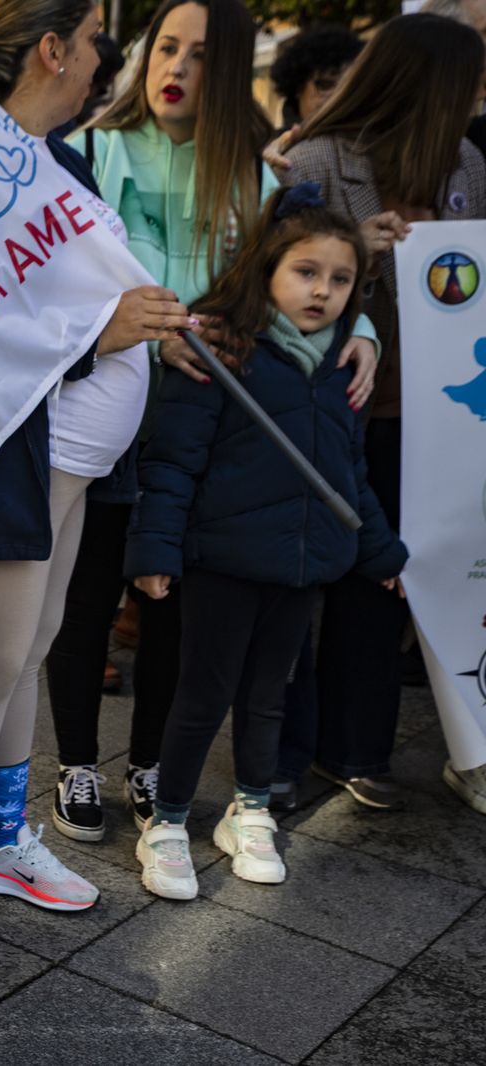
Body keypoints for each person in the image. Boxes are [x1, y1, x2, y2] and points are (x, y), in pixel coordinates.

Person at [46, 0, 378, 843]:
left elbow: (313, 274)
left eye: (198, 54)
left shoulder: (265, 184)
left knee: (173, 607)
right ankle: (77, 763)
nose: (177, 67)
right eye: (166, 47)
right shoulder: (91, 151)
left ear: (227, 70)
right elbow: (54, 283)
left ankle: (154, 765)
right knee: (84, 603)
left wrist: (363, 330)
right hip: (102, 420)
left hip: (207, 433)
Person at [0, 0, 180, 961]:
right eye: (96, 39)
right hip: (7, 458)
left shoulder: (54, 157)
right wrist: (102, 338)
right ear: (54, 48)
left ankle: (0, 836)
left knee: (29, 648)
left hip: (68, 463)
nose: (107, 58)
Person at [129, 185, 407, 899]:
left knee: (269, 695)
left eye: (340, 278)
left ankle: (249, 809)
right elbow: (174, 460)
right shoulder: (220, 350)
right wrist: (155, 552)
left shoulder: (341, 363)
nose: (322, 291)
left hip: (301, 565)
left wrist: (383, 558)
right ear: (268, 271)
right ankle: (166, 821)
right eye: (306, 273)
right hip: (223, 560)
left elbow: (349, 476)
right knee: (203, 693)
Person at [274, 14, 486, 814]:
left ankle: (355, 748)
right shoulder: (316, 157)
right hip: (329, 402)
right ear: (426, 86)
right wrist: (356, 251)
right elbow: (279, 289)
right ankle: (281, 755)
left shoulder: (465, 162)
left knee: (383, 575)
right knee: (301, 577)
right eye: (470, 82)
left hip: (426, 410)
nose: (479, 97)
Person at [268, 26, 361, 132]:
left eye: (349, 87)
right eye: (326, 84)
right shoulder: (277, 145)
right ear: (299, 87)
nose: (338, 95)